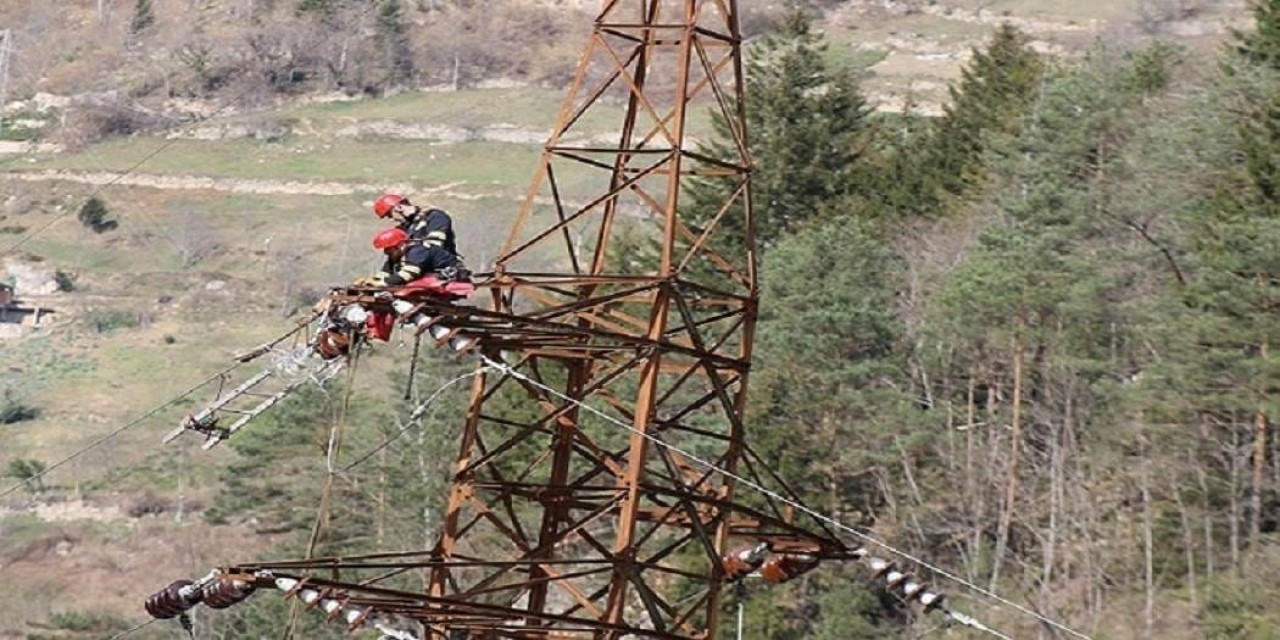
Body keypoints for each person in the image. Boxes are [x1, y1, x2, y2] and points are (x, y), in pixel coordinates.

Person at [356, 228, 460, 288]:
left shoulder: (418, 250)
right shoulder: (397, 255)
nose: (386, 252)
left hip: (449, 278)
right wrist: (369, 281)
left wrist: (381, 283)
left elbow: (407, 275)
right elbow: (386, 272)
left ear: (400, 245)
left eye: (388, 249)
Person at [372, 193, 457, 256]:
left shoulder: (435, 217)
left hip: (441, 271)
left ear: (399, 208)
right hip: (417, 269)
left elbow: (434, 245)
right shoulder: (403, 228)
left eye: (390, 215)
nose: (392, 220)